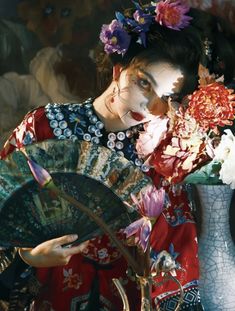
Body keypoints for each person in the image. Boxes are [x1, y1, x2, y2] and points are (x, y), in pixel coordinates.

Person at [0, 1, 235, 310]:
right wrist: (27, 256)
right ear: (119, 68)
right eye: (144, 84)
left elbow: (175, 256)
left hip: (131, 296)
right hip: (48, 291)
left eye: (165, 98)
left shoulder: (165, 154)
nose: (148, 108)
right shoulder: (42, 126)